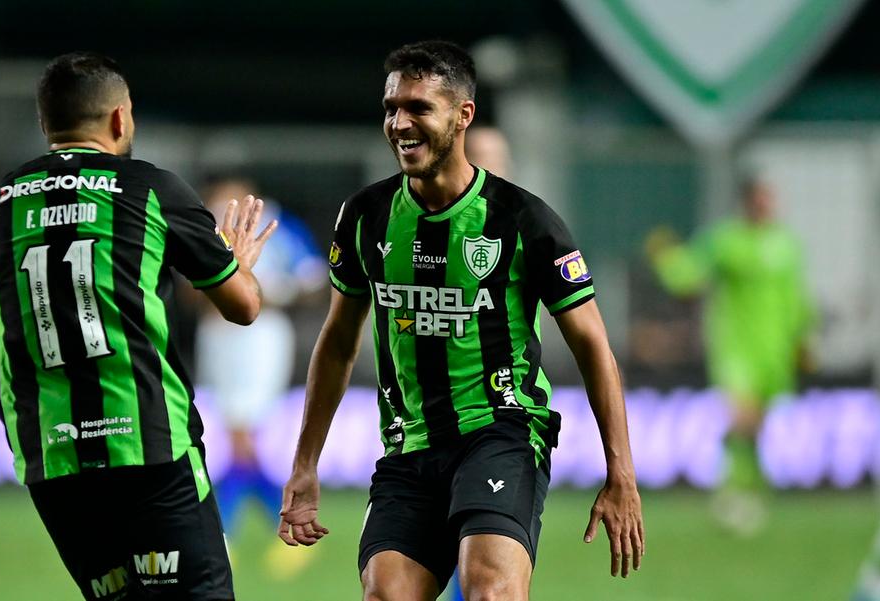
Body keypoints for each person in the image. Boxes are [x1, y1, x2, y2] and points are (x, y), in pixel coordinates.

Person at [276, 40, 645, 601]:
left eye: (419, 108)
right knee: (384, 596)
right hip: (409, 445)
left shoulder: (523, 219)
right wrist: (305, 466)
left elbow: (593, 344)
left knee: (490, 591)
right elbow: (335, 344)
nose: (400, 122)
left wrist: (621, 473)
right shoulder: (365, 216)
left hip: (499, 431)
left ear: (462, 115)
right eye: (392, 107)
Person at [0, 52, 276, 601]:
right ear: (120, 119)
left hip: (52, 459)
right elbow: (243, 308)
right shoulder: (152, 191)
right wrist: (238, 261)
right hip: (148, 447)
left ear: (45, 124)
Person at [646, 176, 816, 535]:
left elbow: (797, 296)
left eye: (771, 199)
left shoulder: (786, 244)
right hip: (735, 348)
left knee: (756, 427)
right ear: (747, 203)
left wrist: (803, 339)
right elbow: (686, 278)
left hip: (775, 351)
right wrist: (666, 256)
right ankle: (733, 493)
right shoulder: (725, 240)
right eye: (761, 199)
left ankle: (752, 492)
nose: (767, 206)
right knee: (743, 416)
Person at [194, 176, 323, 575]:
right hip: (217, 335)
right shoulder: (204, 226)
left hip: (261, 337)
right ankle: (286, 527)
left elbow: (315, 278)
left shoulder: (278, 226)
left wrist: (271, 292)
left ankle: (225, 534)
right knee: (238, 441)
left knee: (242, 440)